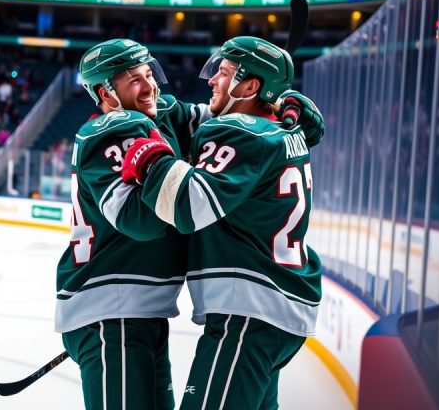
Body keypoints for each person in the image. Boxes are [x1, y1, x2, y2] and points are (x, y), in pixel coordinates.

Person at [121, 36, 323, 410]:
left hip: (248, 314)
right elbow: (184, 114)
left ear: (250, 87)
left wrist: (151, 161)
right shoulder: (282, 130)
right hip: (278, 308)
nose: (212, 79)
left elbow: (185, 206)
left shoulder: (237, 131)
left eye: (225, 73)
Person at [55, 38, 213, 410]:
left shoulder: (162, 112)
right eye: (134, 80)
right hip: (113, 313)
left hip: (140, 313)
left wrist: (274, 105)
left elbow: (227, 121)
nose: (149, 87)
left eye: (149, 74)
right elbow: (140, 221)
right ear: (105, 93)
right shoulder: (110, 131)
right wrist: (161, 167)